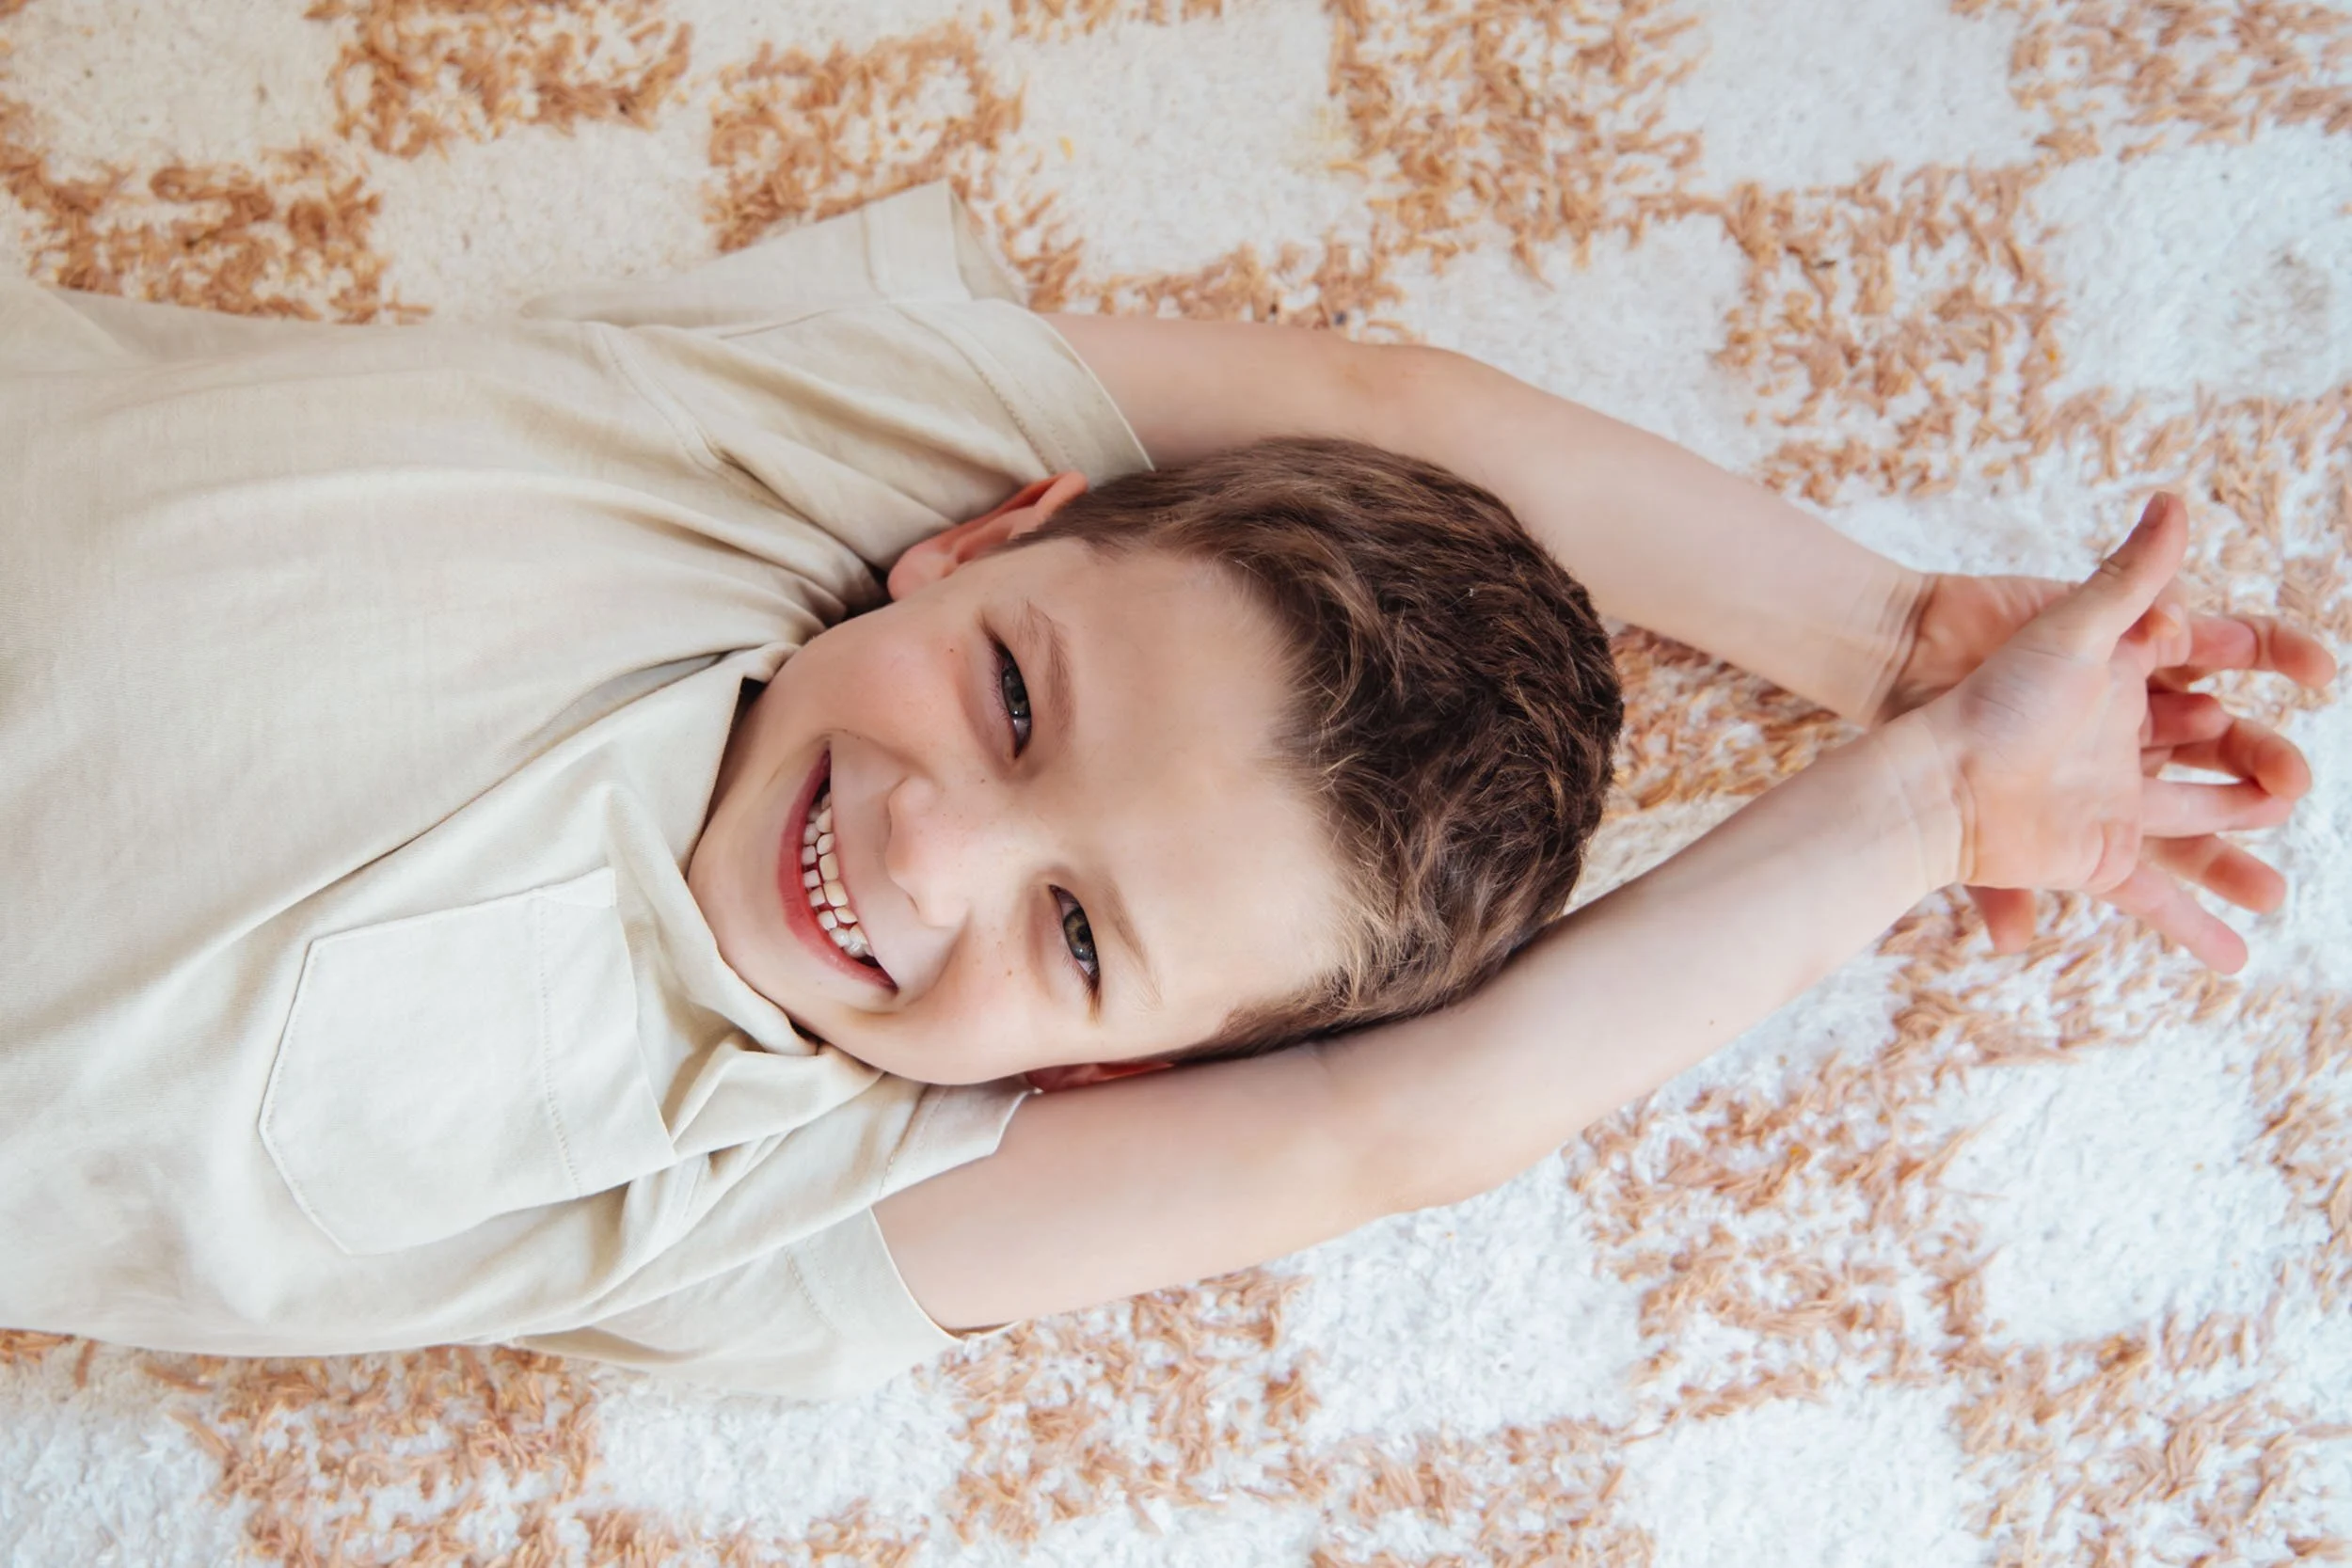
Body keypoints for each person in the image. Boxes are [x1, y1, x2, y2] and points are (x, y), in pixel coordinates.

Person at [0, 183, 2329, 1397]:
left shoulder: (751, 1183)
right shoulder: (749, 465)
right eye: (1013, 699)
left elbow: (1385, 1127)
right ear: (989, 532)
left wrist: (1925, 799)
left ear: (1099, 1066)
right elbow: (1386, 393)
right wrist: (1878, 629)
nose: (924, 844)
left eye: (1077, 934)